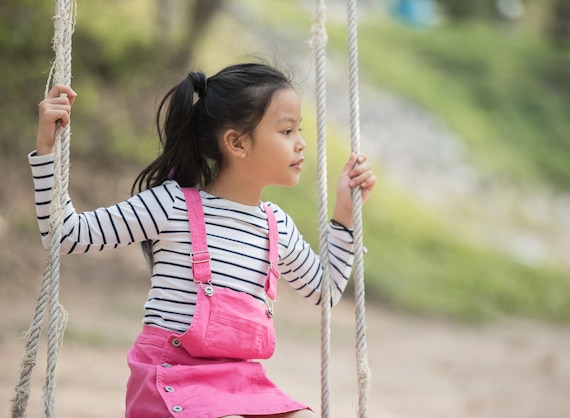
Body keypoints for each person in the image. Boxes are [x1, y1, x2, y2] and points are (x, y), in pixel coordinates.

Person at [30, 62, 377, 418]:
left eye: (298, 130)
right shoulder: (171, 206)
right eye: (287, 131)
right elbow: (65, 235)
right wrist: (46, 149)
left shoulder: (276, 227)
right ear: (237, 143)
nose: (302, 143)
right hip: (170, 379)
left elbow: (326, 290)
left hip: (240, 383)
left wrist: (345, 213)